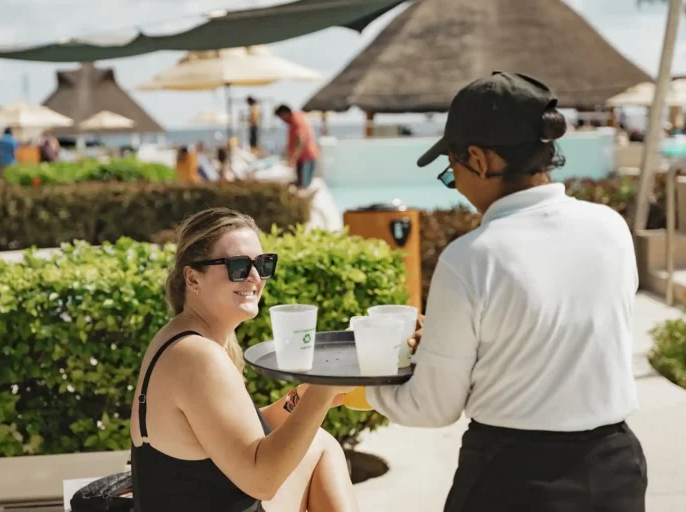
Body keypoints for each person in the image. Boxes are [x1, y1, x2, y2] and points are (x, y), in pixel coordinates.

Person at [366, 72, 646, 511]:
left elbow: (431, 408)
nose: (457, 186)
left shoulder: (471, 258)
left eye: (451, 171)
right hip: (615, 471)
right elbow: (563, 336)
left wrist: (364, 385)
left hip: (514, 479)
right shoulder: (610, 228)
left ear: (479, 160)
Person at [130, 207, 358, 511]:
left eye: (262, 264)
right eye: (238, 266)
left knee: (320, 444)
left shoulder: (183, 339)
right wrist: (322, 387)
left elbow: (237, 432)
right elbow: (262, 481)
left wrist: (300, 398)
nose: (255, 277)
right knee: (322, 447)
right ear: (193, 278)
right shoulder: (196, 356)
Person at [274, 105, 319, 190]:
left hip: (305, 156)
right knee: (301, 183)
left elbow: (300, 139)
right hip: (305, 156)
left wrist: (293, 158)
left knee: (303, 185)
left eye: (281, 117)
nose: (282, 120)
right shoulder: (298, 116)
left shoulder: (296, 120)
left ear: (284, 113)